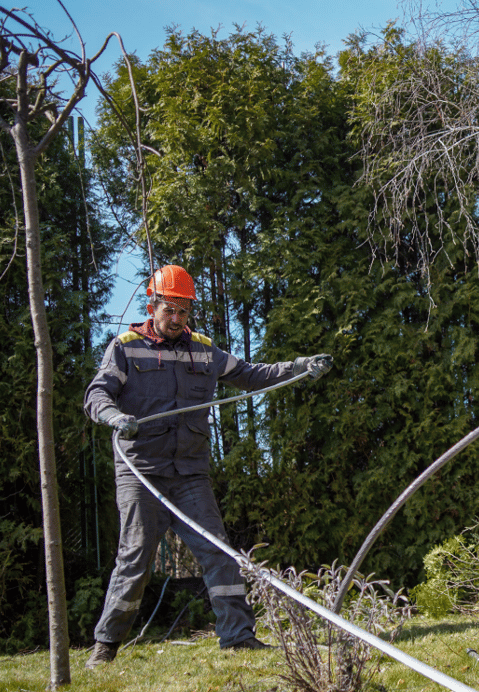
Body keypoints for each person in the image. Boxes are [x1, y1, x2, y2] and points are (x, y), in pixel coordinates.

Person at [82, 264, 331, 669]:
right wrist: (114, 417)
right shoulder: (125, 347)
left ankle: (237, 638)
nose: (176, 319)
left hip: (190, 475)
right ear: (153, 305)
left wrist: (300, 367)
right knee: (135, 558)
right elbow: (97, 394)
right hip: (142, 473)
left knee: (219, 553)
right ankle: (105, 646)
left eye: (183, 311)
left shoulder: (204, 349)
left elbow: (253, 375)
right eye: (169, 310)